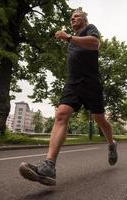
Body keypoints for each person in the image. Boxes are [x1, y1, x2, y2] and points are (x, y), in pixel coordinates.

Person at [19, 8, 118, 186]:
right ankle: (49, 166)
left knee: (99, 119)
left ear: (85, 20)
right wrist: (69, 39)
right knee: (61, 114)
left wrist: (69, 37)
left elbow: (95, 44)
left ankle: (111, 144)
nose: (73, 18)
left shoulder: (89, 30)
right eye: (71, 17)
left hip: (92, 83)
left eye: (77, 16)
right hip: (73, 83)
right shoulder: (70, 41)